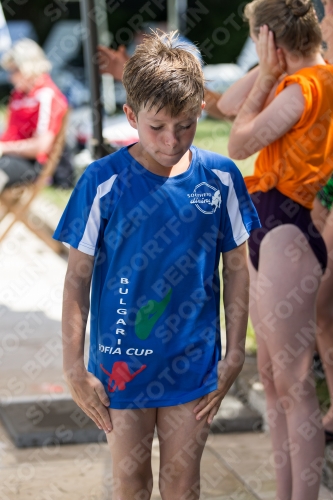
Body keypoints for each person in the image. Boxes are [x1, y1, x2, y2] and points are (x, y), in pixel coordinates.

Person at [53, 32, 260, 500]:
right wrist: (72, 367)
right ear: (130, 116)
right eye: (157, 127)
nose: (172, 141)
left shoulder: (221, 179)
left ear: (200, 114)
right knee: (131, 482)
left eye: (185, 126)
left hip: (194, 364)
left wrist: (235, 354)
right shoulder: (102, 182)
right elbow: (77, 280)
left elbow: (238, 268)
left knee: (183, 484)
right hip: (120, 366)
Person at [218, 0, 333, 499]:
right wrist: (267, 69)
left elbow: (238, 142)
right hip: (272, 227)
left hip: (289, 230)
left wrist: (266, 76)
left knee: (292, 381)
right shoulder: (294, 78)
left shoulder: (307, 88)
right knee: (271, 376)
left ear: (268, 39)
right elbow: (224, 107)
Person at [0, 38, 68, 193]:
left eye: (14, 70)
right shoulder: (19, 93)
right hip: (11, 153)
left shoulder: (47, 94)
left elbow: (41, 146)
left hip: (31, 162)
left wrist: (4, 147)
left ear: (28, 68)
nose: (11, 77)